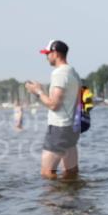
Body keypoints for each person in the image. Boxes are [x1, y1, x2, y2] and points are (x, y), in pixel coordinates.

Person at [24, 40, 82, 180]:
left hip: (59, 128)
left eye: (47, 54)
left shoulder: (59, 74)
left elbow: (54, 104)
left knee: (47, 172)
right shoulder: (73, 72)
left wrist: (37, 92)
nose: (46, 57)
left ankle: (54, 202)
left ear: (55, 53)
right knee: (70, 173)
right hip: (72, 128)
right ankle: (71, 200)